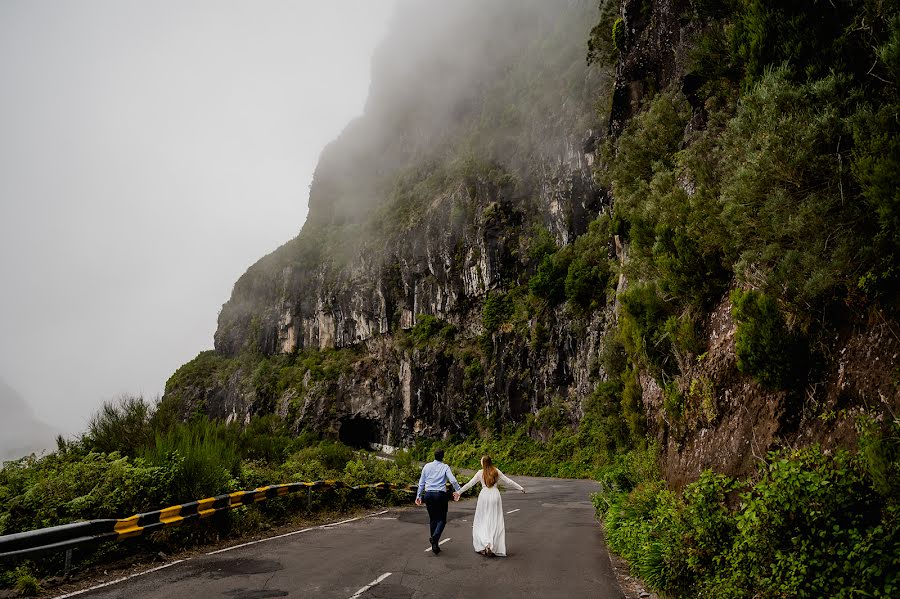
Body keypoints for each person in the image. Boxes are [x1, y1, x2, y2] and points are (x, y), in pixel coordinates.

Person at [453, 455, 525, 557]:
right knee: (495, 520)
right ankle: (492, 544)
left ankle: (485, 543)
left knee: (483, 520)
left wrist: (459, 492)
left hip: (484, 496)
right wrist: (520, 488)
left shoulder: (480, 473)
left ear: (483, 463)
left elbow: (469, 484)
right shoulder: (496, 471)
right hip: (495, 495)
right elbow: (508, 481)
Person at [415, 448, 461, 554]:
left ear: (434, 456)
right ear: (443, 457)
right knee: (442, 519)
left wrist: (418, 496)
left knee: (433, 519)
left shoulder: (427, 466)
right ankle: (435, 538)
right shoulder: (445, 467)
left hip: (428, 494)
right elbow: (453, 480)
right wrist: (459, 490)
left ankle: (434, 546)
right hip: (440, 495)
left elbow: (421, 482)